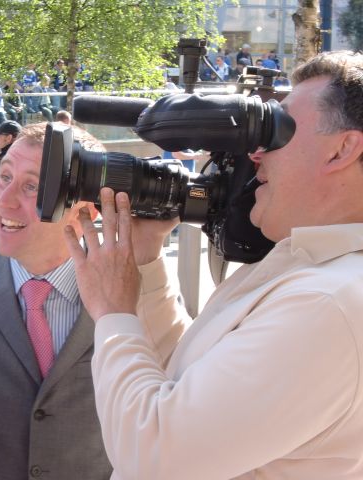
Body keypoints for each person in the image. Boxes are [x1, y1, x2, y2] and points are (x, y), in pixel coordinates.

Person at [65, 50, 363, 479]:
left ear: (342, 150)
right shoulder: (307, 270)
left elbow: (153, 454)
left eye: (278, 132)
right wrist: (145, 259)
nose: (256, 155)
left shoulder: (326, 305)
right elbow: (179, 382)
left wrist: (113, 312)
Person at [0, 123, 159, 480]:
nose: (3, 200)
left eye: (32, 186)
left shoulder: (130, 282)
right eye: (4, 177)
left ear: (86, 210)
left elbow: (166, 400)